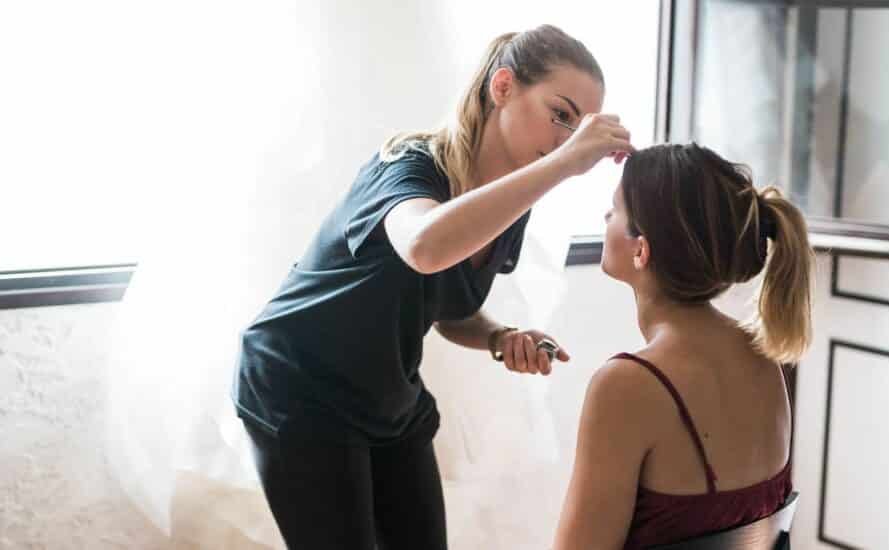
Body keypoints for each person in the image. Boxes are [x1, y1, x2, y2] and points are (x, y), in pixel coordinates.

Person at [232, 24, 635, 550]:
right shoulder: (406, 165)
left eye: (579, 128)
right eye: (560, 115)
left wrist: (500, 336)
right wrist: (564, 165)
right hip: (298, 386)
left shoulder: (510, 203)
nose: (567, 139)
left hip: (388, 398)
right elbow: (424, 247)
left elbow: (447, 309)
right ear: (504, 86)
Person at [553, 143, 813, 549]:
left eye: (615, 208)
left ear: (642, 248)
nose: (606, 217)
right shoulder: (764, 353)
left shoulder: (625, 385)